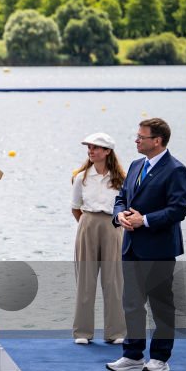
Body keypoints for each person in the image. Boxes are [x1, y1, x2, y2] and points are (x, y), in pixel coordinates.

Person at [106, 118, 186, 371]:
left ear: (157, 141)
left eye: (141, 137)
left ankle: (159, 358)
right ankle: (132, 356)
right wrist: (119, 215)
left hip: (159, 249)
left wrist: (144, 220)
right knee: (131, 303)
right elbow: (121, 198)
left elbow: (179, 209)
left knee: (160, 305)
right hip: (131, 246)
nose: (136, 140)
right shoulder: (135, 166)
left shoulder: (176, 170)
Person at [70, 132, 126, 345]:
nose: (90, 151)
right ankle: (82, 333)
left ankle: (116, 332)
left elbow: (127, 207)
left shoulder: (121, 178)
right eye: (89, 147)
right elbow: (75, 208)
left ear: (107, 151)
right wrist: (88, 225)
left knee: (114, 280)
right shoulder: (81, 177)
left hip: (113, 226)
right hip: (87, 223)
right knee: (85, 279)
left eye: (95, 147)